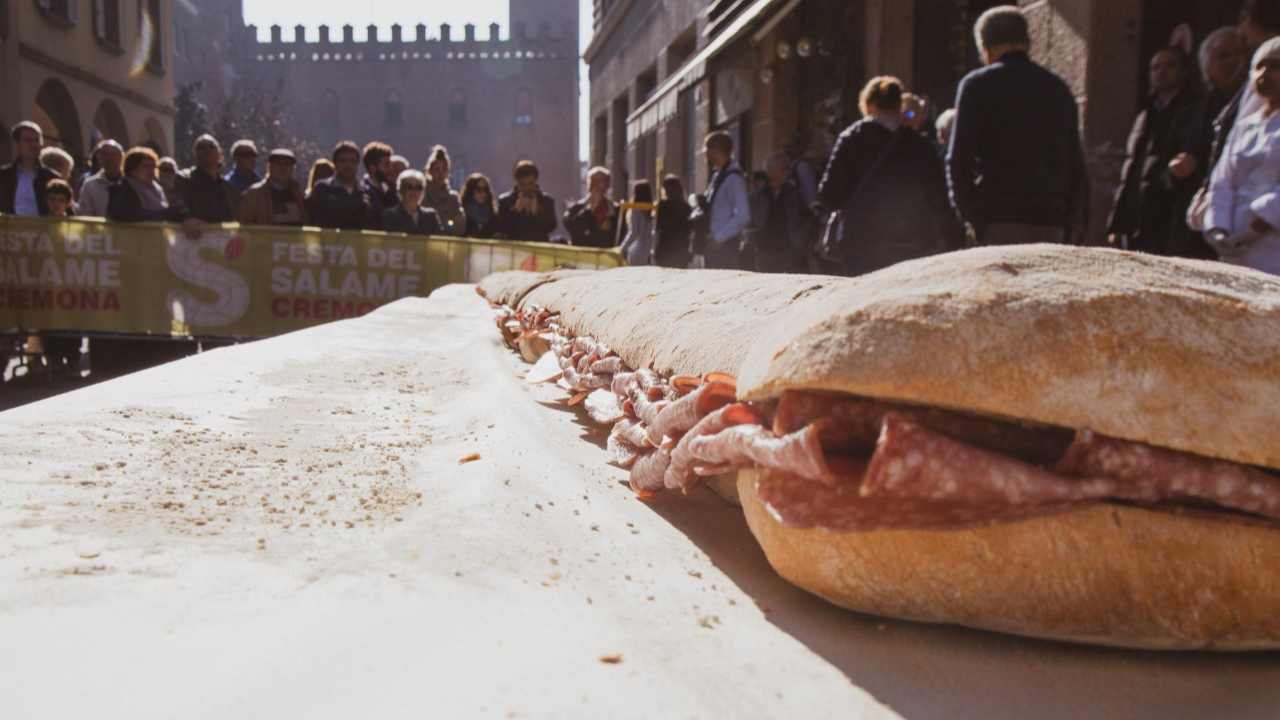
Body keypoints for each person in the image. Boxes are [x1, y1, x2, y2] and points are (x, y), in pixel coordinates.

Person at [947, 5, 1088, 245]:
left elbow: (959, 159)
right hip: (1051, 218)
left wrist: (972, 216)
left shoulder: (976, 85)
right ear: (1027, 42)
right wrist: (1075, 222)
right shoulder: (1058, 88)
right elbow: (1075, 162)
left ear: (985, 46)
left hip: (998, 217)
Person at [818, 76, 960, 276]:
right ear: (898, 104)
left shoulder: (851, 139)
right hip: (910, 241)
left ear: (868, 104)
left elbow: (829, 194)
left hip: (861, 241)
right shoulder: (919, 146)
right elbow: (938, 196)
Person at [1106, 47, 1200, 256]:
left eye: (1170, 66)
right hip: (1137, 221)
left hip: (1169, 217)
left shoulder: (1194, 111)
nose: (1161, 72)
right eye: (1155, 67)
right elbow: (1130, 169)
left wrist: (1168, 180)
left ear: (1184, 71)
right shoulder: (1145, 114)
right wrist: (1117, 223)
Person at [1204, 36, 1280, 275]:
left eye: (1276, 66)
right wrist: (1219, 228)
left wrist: (1258, 226)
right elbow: (1222, 180)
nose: (1265, 73)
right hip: (1233, 245)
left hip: (1273, 243)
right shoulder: (1245, 125)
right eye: (1260, 66)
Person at [699, 131, 751, 269]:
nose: (705, 153)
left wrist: (720, 237)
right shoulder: (718, 175)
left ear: (716, 150)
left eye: (707, 149)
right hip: (714, 244)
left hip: (724, 246)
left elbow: (743, 215)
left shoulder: (734, 178)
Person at [750, 151, 806, 273]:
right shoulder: (759, 193)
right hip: (764, 246)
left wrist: (798, 241)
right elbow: (753, 217)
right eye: (770, 168)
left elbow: (802, 218)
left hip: (787, 246)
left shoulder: (795, 193)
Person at [305, 141, 378, 230]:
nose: (348, 165)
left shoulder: (368, 192)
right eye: (343, 161)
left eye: (352, 161)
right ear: (335, 163)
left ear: (357, 164)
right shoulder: (322, 188)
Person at [107, 146, 190, 223]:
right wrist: (166, 214)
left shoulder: (157, 189)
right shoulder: (122, 188)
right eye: (145, 166)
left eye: (153, 166)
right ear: (132, 169)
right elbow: (127, 214)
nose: (151, 170)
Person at [176, 134, 239, 223]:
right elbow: (177, 203)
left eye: (211, 146)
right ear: (195, 154)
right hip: (193, 236)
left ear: (220, 153)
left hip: (221, 236)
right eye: (201, 147)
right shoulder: (184, 179)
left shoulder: (228, 187)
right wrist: (186, 217)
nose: (207, 150)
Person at [0, 121, 58, 216]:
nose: (34, 145)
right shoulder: (3, 176)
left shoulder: (52, 178)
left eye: (37, 140)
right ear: (18, 144)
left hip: (42, 229)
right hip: (8, 229)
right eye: (28, 140)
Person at [237, 148, 307, 226]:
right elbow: (243, 224)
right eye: (278, 163)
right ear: (269, 167)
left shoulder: (299, 193)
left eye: (287, 164)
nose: (283, 168)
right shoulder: (254, 194)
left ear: (293, 169)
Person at [495, 160, 558, 242]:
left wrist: (536, 214)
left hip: (538, 250)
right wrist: (515, 212)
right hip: (515, 250)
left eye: (530, 183)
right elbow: (502, 229)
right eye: (522, 184)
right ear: (517, 182)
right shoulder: (505, 201)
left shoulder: (547, 200)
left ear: (536, 180)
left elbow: (551, 227)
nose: (527, 188)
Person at [564, 166, 619, 247]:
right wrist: (590, 210)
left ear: (607, 186)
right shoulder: (576, 208)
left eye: (601, 182)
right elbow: (570, 226)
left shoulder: (615, 209)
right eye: (594, 183)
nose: (597, 188)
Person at [381, 170, 442, 236]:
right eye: (409, 187)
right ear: (401, 190)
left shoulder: (431, 216)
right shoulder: (390, 216)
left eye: (418, 187)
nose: (414, 191)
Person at [75, 139, 125, 217]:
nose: (110, 158)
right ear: (99, 158)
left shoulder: (131, 183)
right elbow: (84, 213)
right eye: (105, 154)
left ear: (121, 157)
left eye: (113, 154)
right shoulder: (90, 185)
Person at [423, 145, 465, 235]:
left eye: (444, 169)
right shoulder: (422, 194)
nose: (440, 173)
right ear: (430, 171)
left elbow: (460, 227)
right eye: (437, 169)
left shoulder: (453, 198)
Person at [654, 174, 692, 268]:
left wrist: (654, 250)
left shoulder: (662, 205)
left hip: (665, 249)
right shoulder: (687, 207)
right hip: (682, 250)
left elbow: (658, 229)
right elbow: (689, 231)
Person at [619, 180, 656, 265]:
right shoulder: (652, 209)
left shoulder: (635, 209)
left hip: (637, 251)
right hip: (650, 249)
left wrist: (622, 248)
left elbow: (634, 232)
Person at [361, 141, 398, 218]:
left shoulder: (390, 191)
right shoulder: (363, 192)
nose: (390, 169)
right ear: (373, 167)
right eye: (386, 165)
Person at [461, 172, 498, 238]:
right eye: (479, 189)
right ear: (471, 190)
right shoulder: (462, 213)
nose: (483, 193)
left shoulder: (493, 214)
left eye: (485, 189)